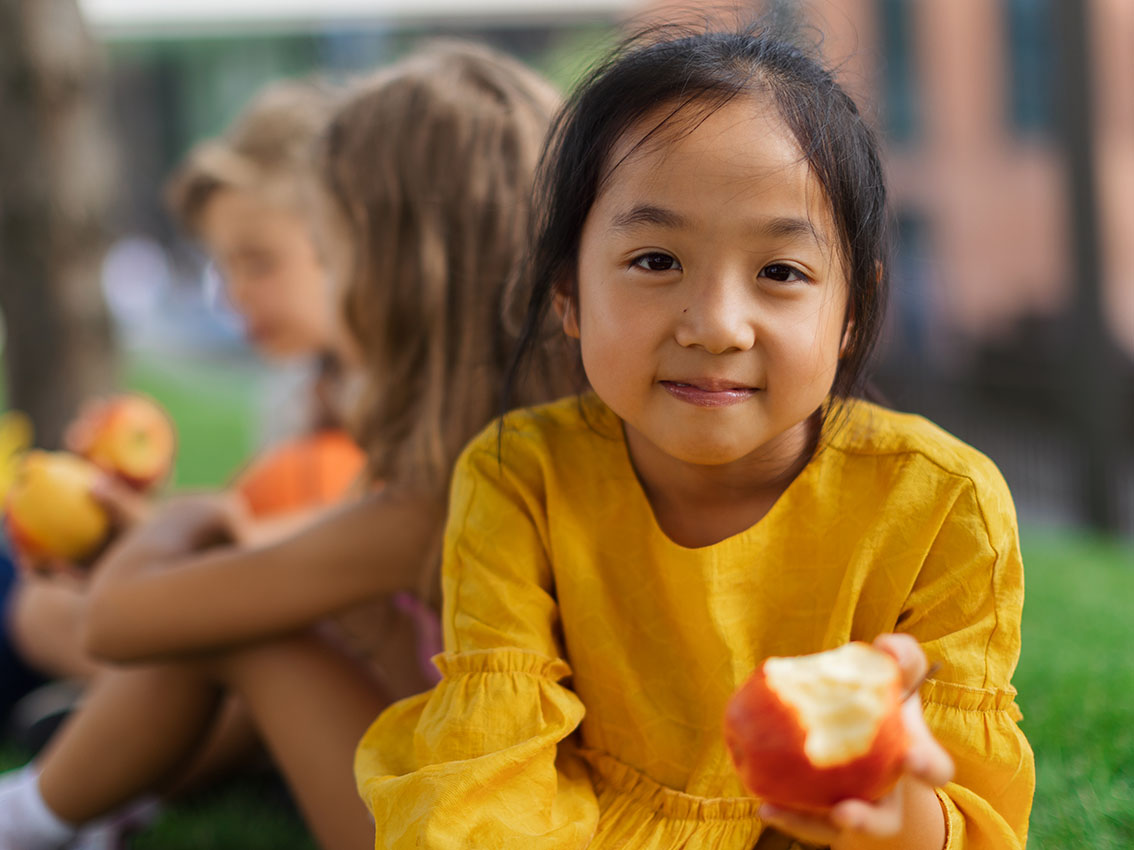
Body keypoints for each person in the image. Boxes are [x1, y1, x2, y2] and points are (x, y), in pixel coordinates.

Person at [354, 25, 1036, 850]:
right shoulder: (518, 476)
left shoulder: (941, 503)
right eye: (655, 260)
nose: (716, 326)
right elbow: (488, 770)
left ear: (852, 310)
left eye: (780, 272)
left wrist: (896, 817)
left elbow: (970, 816)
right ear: (568, 290)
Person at [0, 41, 563, 850]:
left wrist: (195, 518)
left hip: (452, 832)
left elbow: (118, 621)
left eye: (330, 259)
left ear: (394, 277)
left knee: (249, 630)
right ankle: (91, 799)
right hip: (507, 803)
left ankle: (28, 820)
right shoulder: (554, 456)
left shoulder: (431, 504)